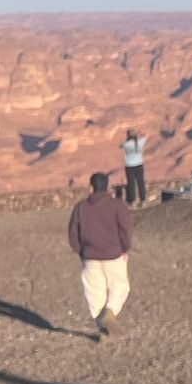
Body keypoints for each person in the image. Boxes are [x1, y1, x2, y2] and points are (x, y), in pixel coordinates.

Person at [67, 171, 135, 338]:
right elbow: (126, 229)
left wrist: (81, 252)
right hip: (113, 254)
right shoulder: (117, 205)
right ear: (107, 186)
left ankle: (102, 329)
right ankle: (110, 312)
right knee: (120, 286)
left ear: (91, 187)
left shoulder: (81, 207)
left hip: (90, 256)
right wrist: (125, 248)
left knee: (94, 293)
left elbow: (72, 233)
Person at [120, 128, 150, 206]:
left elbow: (120, 146)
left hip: (129, 166)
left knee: (131, 183)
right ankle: (143, 200)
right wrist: (139, 132)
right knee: (141, 182)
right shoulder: (140, 142)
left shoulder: (126, 144)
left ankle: (132, 201)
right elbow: (146, 134)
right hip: (139, 165)